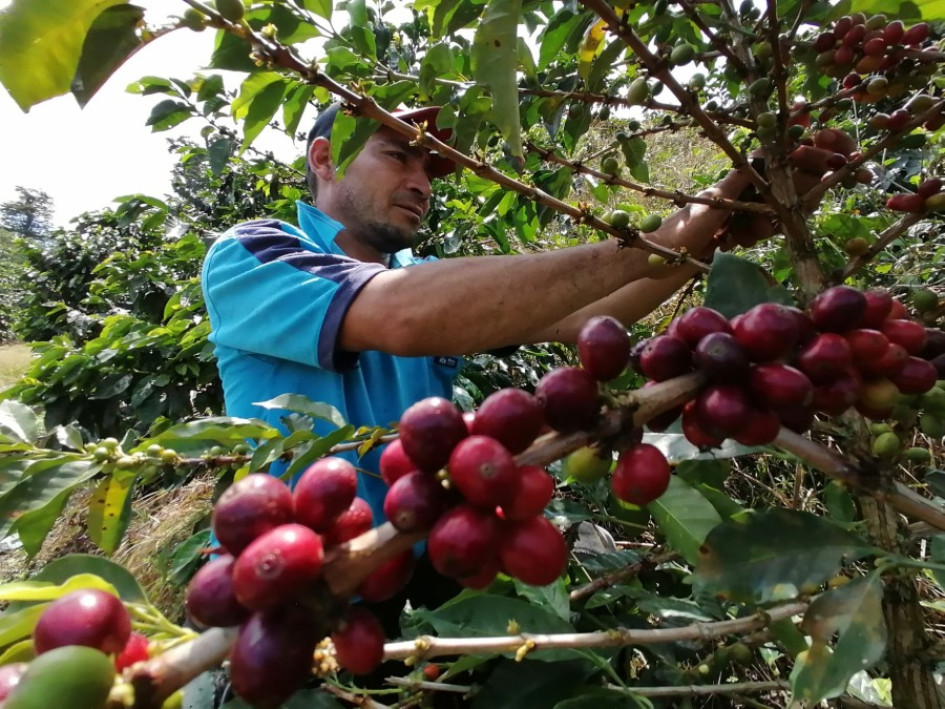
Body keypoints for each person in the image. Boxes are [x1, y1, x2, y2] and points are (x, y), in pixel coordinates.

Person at [201, 102, 833, 524]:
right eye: (398, 155)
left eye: (430, 168)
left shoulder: (422, 276)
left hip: (414, 578)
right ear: (324, 159)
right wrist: (659, 238)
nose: (423, 182)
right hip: (290, 594)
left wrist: (716, 225)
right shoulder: (254, 254)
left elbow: (596, 315)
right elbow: (401, 315)